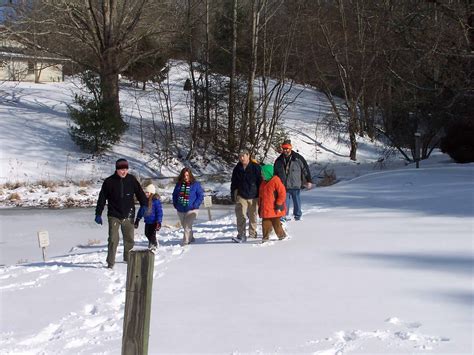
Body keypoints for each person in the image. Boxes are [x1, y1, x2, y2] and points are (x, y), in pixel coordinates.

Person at [95, 158, 148, 268]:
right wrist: (98, 213)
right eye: (121, 169)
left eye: (126, 169)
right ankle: (110, 263)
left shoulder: (132, 180)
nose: (124, 172)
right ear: (117, 169)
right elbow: (102, 198)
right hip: (114, 214)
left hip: (129, 214)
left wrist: (144, 204)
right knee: (113, 239)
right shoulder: (109, 182)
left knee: (129, 239)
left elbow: (140, 193)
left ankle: (128, 259)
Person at [274, 139, 312, 221]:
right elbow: (275, 173)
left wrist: (309, 180)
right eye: (284, 148)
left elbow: (305, 169)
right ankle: (283, 216)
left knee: (297, 202)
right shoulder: (279, 160)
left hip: (295, 184)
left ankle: (298, 216)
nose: (285, 150)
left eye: (287, 148)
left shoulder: (298, 158)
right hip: (284, 185)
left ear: (290, 148)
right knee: (284, 202)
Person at [230, 149, 262, 243]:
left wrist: (261, 195)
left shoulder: (256, 167)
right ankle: (241, 235)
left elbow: (260, 182)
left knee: (253, 216)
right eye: (240, 156)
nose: (242, 158)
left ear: (248, 156)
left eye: (244, 155)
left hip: (254, 196)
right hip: (241, 195)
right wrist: (233, 194)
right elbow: (234, 182)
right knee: (240, 216)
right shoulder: (237, 168)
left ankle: (252, 233)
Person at [172, 167, 204, 246]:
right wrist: (175, 204)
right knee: (186, 226)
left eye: (187, 175)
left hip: (192, 209)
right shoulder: (179, 185)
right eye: (184, 175)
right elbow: (174, 195)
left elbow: (200, 196)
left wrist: (195, 205)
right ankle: (191, 237)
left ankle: (185, 241)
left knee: (186, 225)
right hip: (180, 209)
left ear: (190, 175)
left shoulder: (196, 184)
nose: (186, 177)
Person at [258, 164, 287, 242]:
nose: (261, 175)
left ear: (268, 173)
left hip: (275, 208)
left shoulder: (276, 181)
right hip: (266, 208)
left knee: (276, 224)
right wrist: (260, 206)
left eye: (263, 173)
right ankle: (265, 237)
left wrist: (279, 203)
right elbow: (261, 196)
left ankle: (282, 236)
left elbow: (282, 193)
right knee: (265, 224)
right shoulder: (263, 183)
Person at [134, 183, 163, 250]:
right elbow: (141, 210)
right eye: (145, 192)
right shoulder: (144, 201)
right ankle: (151, 242)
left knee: (152, 234)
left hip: (154, 222)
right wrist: (137, 219)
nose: (146, 194)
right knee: (146, 233)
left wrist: (159, 222)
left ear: (152, 193)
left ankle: (154, 244)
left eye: (148, 192)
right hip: (147, 221)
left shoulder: (156, 201)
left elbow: (159, 212)